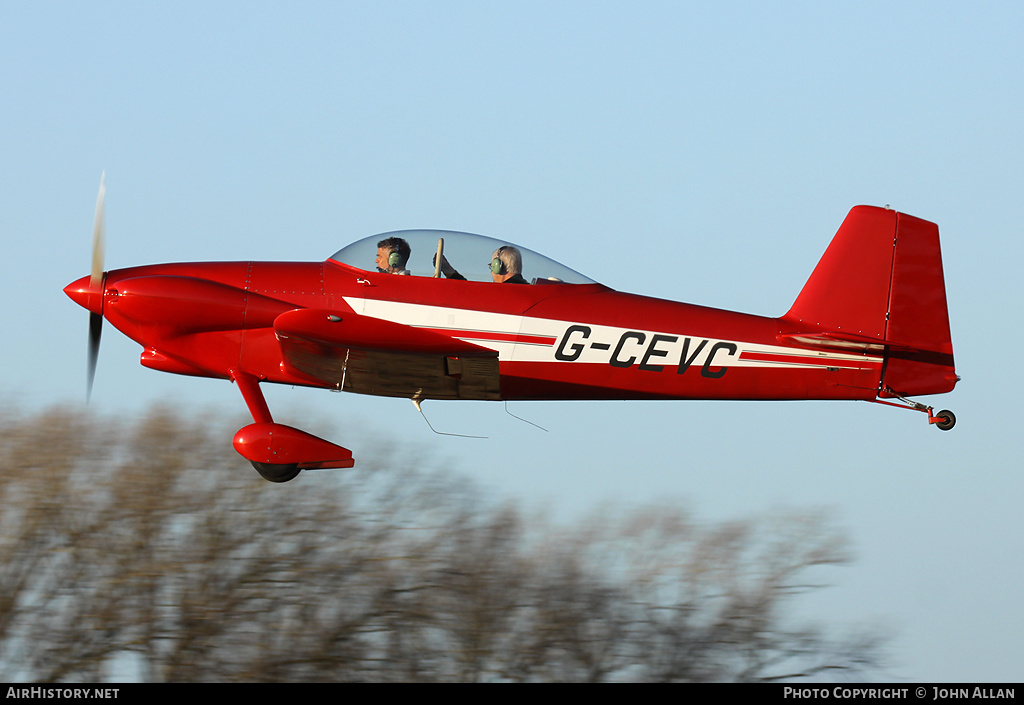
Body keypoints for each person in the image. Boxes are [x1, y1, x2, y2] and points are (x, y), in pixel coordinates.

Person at [436, 245, 529, 284]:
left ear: (497, 267)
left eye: (492, 266)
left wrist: (449, 271)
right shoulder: (525, 289)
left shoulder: (503, 294)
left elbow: (469, 293)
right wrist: (448, 270)